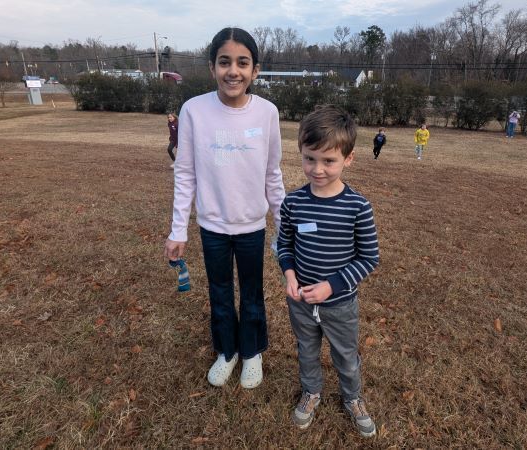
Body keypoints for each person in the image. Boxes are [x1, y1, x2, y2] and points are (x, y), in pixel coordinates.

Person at [163, 27, 285, 389]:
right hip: (213, 226)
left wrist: (283, 224)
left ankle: (251, 351)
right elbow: (185, 173)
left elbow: (272, 173)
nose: (234, 71)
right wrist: (178, 230)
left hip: (251, 227)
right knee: (219, 292)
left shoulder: (267, 113)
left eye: (242, 63)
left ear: (255, 70)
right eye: (225, 62)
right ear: (213, 66)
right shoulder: (193, 111)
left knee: (251, 293)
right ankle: (227, 351)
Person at [277, 105, 380, 437]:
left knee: (346, 356)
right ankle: (311, 392)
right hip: (301, 301)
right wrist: (290, 276)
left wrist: (332, 286)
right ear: (301, 154)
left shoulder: (358, 207)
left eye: (329, 161)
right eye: (309, 158)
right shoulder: (293, 202)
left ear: (348, 159)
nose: (317, 169)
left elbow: (369, 258)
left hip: (340, 304)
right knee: (306, 349)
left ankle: (352, 397)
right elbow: (284, 245)